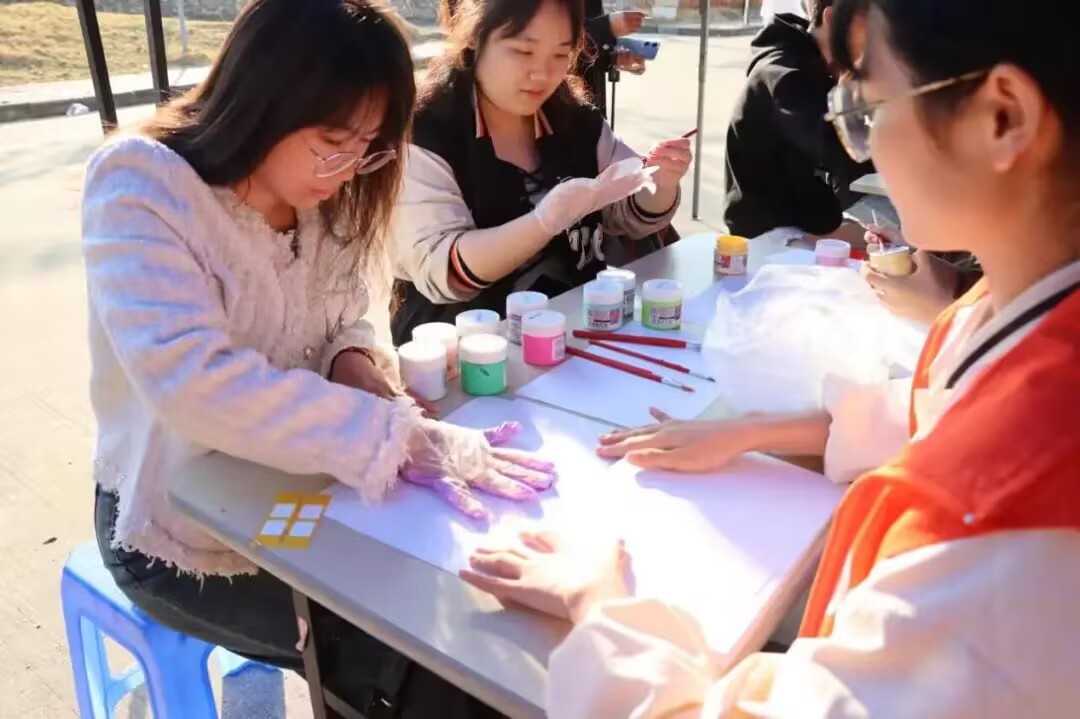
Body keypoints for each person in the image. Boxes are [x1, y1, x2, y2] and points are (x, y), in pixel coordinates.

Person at [459, 0, 1080, 715]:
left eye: (869, 108)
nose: (863, 151)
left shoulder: (998, 549)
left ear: (1003, 117)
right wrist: (750, 432)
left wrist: (599, 605)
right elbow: (930, 415)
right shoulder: (1007, 310)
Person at [82, 0, 552, 713]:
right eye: (333, 140)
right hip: (177, 524)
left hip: (306, 489)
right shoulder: (141, 185)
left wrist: (354, 364)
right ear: (262, 100)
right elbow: (195, 386)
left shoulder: (331, 190)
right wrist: (395, 434)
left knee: (475, 607)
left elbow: (349, 317)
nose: (351, 167)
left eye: (369, 145)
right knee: (415, 654)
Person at [390, 0, 690, 344]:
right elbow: (444, 270)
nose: (543, 74)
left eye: (561, 53)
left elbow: (628, 214)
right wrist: (543, 223)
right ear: (473, 36)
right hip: (468, 355)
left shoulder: (576, 121)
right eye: (523, 51)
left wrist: (663, 181)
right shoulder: (426, 133)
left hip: (576, 337)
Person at [722, 0, 871, 241]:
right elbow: (841, 154)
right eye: (871, 26)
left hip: (798, 218)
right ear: (833, 18)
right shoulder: (788, 74)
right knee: (888, 240)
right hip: (772, 234)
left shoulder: (808, 61)